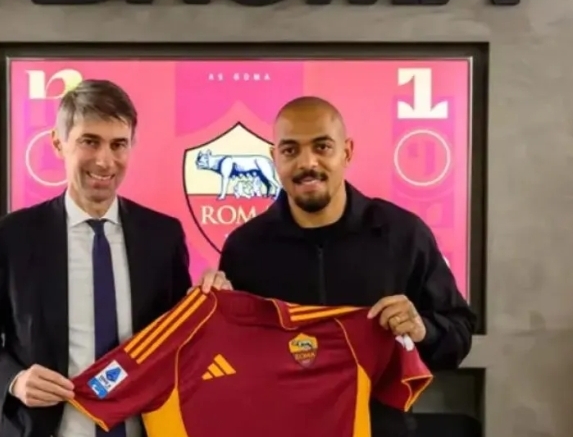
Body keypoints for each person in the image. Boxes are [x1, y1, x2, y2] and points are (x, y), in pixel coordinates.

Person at [0, 79, 225, 437]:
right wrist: (14, 380)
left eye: (118, 144)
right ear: (58, 142)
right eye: (89, 141)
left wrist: (212, 303)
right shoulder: (10, 238)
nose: (104, 160)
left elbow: (177, 342)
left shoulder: (162, 236)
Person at [200, 96, 476, 437]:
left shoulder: (403, 234)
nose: (307, 163)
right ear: (274, 157)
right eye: (290, 150)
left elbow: (459, 334)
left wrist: (423, 330)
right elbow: (228, 365)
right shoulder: (245, 248)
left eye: (322, 147)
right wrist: (213, 317)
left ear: (347, 152)